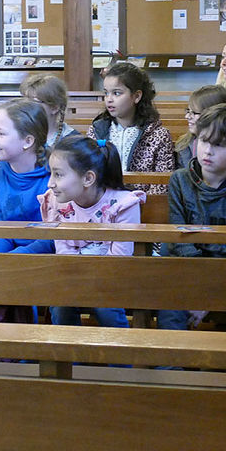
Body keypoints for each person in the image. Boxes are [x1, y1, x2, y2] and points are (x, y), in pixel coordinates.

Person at [159, 103, 226, 333]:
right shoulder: (180, 180)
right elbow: (179, 235)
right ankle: (170, 362)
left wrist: (210, 297)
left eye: (218, 145)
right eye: (204, 140)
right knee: (167, 260)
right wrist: (200, 290)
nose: (207, 151)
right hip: (190, 265)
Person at [39, 135, 145, 328]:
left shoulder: (123, 205)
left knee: (106, 307)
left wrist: (90, 283)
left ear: (88, 178)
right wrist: (79, 282)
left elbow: (118, 260)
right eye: (51, 174)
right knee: (61, 304)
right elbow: (64, 253)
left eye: (58, 174)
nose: (50, 183)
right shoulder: (57, 203)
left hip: (113, 279)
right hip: (73, 276)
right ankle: (71, 356)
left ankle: (121, 356)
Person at [0, 99, 54, 324]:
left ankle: (22, 355)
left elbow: (52, 238)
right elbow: (0, 230)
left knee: (15, 278)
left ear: (27, 141)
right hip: (12, 253)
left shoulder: (53, 177)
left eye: (1, 134)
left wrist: (13, 260)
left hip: (46, 256)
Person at [87, 62, 173, 195]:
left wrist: (136, 201)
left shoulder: (158, 134)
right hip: (103, 202)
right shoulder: (97, 129)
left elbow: (162, 182)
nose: (109, 99)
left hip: (143, 204)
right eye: (106, 93)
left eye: (116, 93)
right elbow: (88, 171)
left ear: (137, 96)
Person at [174, 85, 226, 170]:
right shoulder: (183, 145)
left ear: (215, 115)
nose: (187, 116)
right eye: (188, 111)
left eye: (194, 113)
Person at [19, 74, 76, 147]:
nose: (25, 106)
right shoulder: (17, 135)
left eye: (33, 102)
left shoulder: (73, 142)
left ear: (54, 108)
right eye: (24, 101)